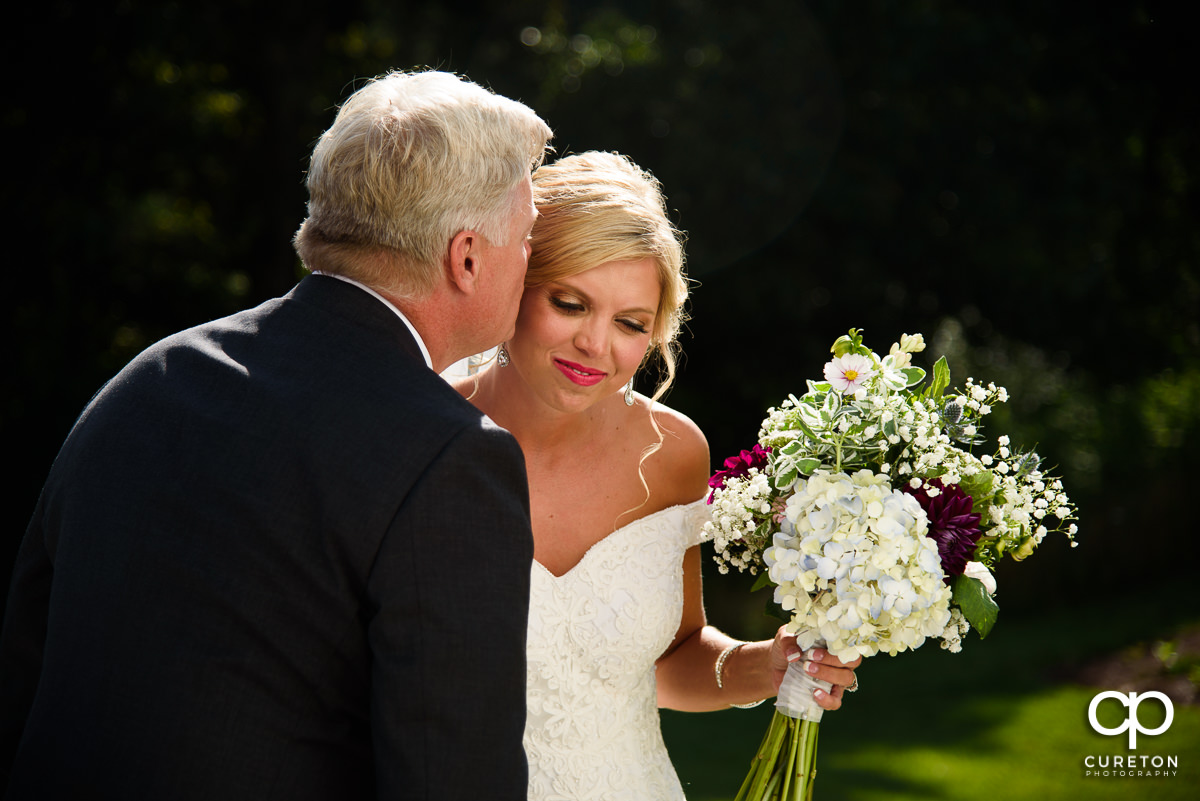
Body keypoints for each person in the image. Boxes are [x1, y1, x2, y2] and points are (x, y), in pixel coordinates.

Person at [0, 70, 551, 800]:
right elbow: (452, 777)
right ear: (468, 256)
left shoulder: (153, 375)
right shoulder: (450, 456)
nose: (530, 263)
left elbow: (27, 656)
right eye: (528, 239)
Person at [452, 151, 861, 800]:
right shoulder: (423, 440)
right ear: (514, 283)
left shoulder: (673, 454)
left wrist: (767, 664)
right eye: (570, 302)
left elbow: (671, 660)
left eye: (630, 323)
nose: (597, 344)